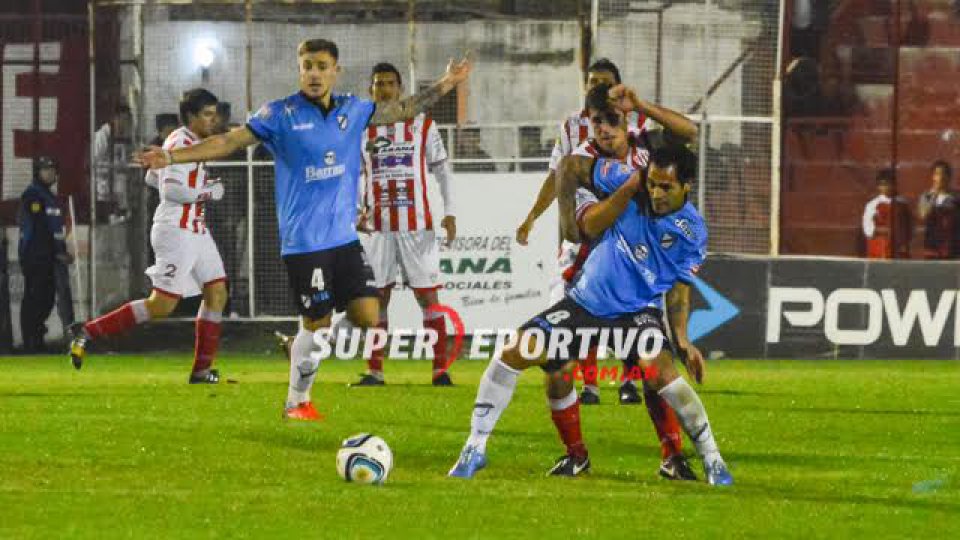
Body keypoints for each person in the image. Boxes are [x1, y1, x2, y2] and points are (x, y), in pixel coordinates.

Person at [136, 39, 471, 420]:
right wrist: (171, 156)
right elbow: (228, 141)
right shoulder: (280, 114)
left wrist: (447, 83)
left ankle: (302, 344)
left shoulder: (352, 110)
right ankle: (297, 400)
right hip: (305, 243)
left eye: (322, 65)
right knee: (319, 322)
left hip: (343, 238)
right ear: (300, 70)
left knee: (367, 312)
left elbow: (403, 109)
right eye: (307, 65)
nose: (314, 73)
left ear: (335, 71)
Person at [449, 143, 733, 486]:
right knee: (515, 351)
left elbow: (679, 290)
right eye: (653, 183)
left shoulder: (694, 232)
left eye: (666, 187)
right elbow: (568, 166)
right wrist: (570, 220)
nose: (655, 192)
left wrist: (683, 340)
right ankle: (475, 447)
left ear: (687, 186)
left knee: (658, 371)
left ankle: (712, 459)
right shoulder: (628, 180)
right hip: (585, 304)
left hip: (636, 313)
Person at [516, 58, 698, 406]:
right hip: (585, 249)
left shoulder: (643, 133)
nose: (597, 87)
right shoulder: (574, 135)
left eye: (605, 82)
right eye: (591, 82)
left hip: (634, 251)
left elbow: (689, 133)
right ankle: (585, 402)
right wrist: (533, 216)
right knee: (562, 347)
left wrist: (641, 104)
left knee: (642, 329)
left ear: (621, 97)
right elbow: (558, 181)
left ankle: (635, 388)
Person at [69, 88, 228, 384]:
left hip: (195, 229)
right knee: (161, 305)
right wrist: (208, 191)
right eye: (206, 114)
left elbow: (151, 177)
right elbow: (170, 190)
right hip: (177, 232)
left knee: (216, 291)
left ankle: (202, 371)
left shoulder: (191, 142)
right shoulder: (180, 141)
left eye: (213, 113)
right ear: (191, 116)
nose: (213, 120)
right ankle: (88, 331)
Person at [352, 62, 457, 386]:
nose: (383, 89)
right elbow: (355, 174)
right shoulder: (360, 129)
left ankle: (440, 370)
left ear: (400, 88)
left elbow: (441, 169)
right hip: (378, 225)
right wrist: (356, 209)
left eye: (389, 83)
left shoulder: (422, 124)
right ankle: (375, 371)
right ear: (370, 90)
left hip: (416, 224)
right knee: (377, 297)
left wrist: (450, 212)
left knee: (427, 297)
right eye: (377, 84)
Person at [18, 156, 74, 353]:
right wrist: (57, 253)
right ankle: (31, 342)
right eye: (45, 169)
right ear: (37, 172)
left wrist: (61, 251)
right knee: (36, 297)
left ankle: (36, 336)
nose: (49, 173)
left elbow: (55, 230)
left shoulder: (49, 196)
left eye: (52, 169)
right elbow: (39, 229)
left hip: (49, 256)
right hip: (36, 256)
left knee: (46, 298)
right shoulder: (33, 196)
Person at [862, 168, 911, 259]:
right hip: (879, 246)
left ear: (894, 184)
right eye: (882, 184)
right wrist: (879, 232)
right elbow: (867, 227)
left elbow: (909, 225)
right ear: (878, 186)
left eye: (888, 184)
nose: (886, 187)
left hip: (898, 248)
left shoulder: (903, 203)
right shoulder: (873, 204)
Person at [918, 160, 958, 259]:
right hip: (932, 245)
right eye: (937, 174)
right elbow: (923, 215)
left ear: (949, 177)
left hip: (952, 245)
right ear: (933, 177)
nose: (941, 177)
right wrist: (934, 194)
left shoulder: (956, 197)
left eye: (944, 174)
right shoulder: (926, 196)